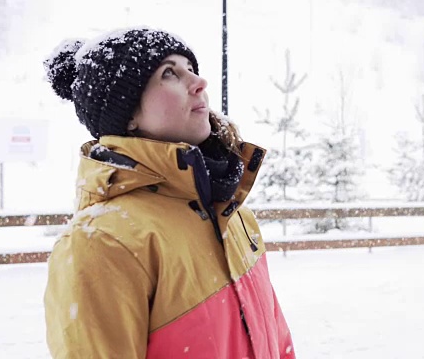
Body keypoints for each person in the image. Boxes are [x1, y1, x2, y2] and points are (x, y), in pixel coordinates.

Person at [42, 27, 295, 358]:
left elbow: (277, 342)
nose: (198, 83)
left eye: (192, 69)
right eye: (169, 74)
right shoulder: (103, 241)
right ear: (128, 114)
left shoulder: (233, 214)